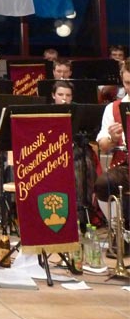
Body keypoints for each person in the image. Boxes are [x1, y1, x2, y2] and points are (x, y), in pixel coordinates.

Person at [50, 80, 99, 220]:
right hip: (53, 152)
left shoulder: (78, 112)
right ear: (53, 95)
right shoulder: (46, 112)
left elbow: (88, 133)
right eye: (60, 94)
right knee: (76, 164)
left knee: (86, 162)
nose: (64, 98)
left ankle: (86, 210)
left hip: (76, 148)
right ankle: (74, 213)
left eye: (68, 95)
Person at [94, 59, 130, 226]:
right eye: (128, 83)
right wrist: (113, 139)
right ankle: (118, 229)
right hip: (125, 166)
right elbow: (102, 145)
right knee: (103, 184)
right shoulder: (113, 108)